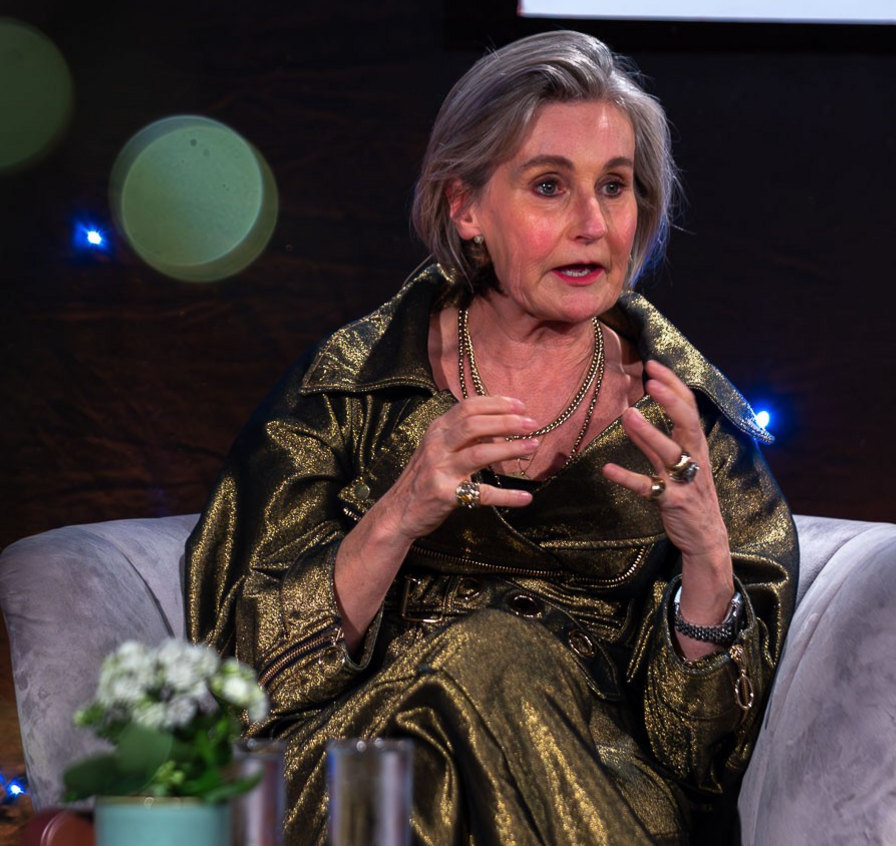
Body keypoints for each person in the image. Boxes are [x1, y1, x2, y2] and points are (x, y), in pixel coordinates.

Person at [184, 30, 797, 845]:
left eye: (615, 188)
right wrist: (398, 514)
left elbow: (700, 761)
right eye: (550, 186)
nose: (592, 224)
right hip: (346, 771)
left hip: (589, 786)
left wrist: (708, 561)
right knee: (470, 670)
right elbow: (237, 687)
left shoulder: (692, 426)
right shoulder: (350, 388)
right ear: (464, 208)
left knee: (487, 669)